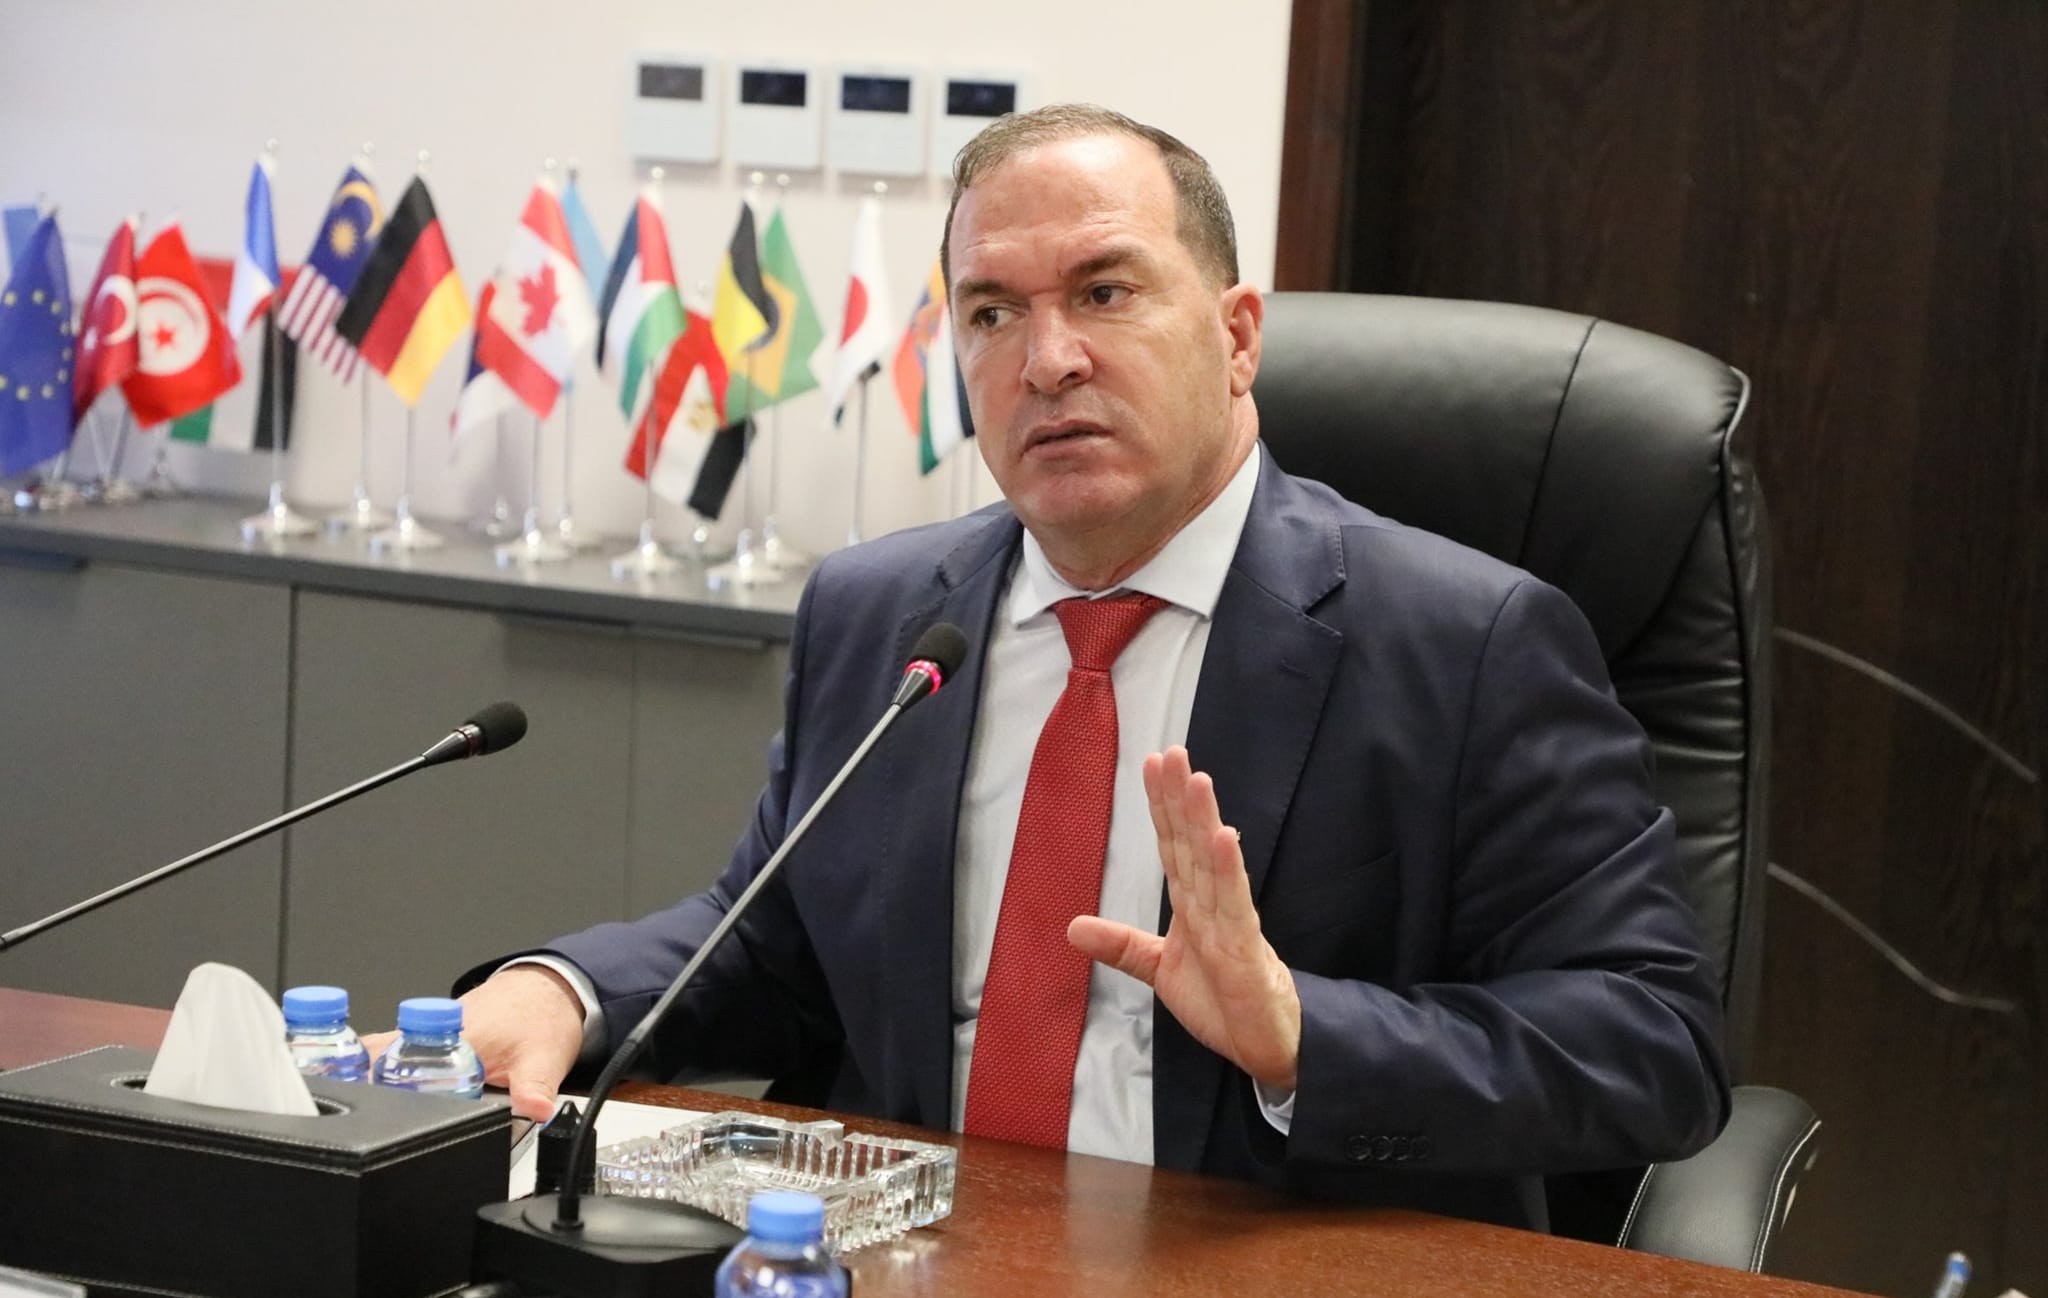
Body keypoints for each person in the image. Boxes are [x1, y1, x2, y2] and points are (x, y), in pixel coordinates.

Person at [429, 104, 1728, 1231]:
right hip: (904, 1250)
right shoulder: (882, 616)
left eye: (1104, 292)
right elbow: (781, 941)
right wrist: (569, 988)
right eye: (993, 313)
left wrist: (1301, 1035)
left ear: (1237, 337)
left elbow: (1654, 1043)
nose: (1046, 360)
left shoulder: (1469, 643)